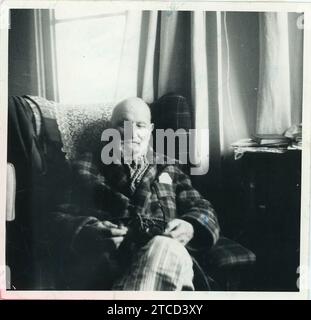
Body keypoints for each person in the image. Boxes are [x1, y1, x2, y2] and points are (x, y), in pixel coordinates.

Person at [48, 97, 220, 290]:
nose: (132, 133)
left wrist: (191, 226)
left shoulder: (168, 167)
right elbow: (53, 219)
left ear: (150, 130)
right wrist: (87, 231)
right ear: (110, 129)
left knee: (166, 248)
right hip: (107, 267)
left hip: (169, 262)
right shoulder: (84, 167)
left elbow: (204, 209)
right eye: (123, 124)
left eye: (140, 125)